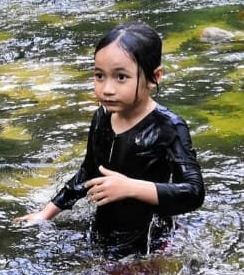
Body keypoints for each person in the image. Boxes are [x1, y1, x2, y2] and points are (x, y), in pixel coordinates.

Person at [18, 22, 205, 257]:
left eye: (121, 77)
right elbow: (88, 171)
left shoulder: (169, 127)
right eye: (99, 75)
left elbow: (193, 192)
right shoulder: (102, 117)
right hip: (104, 232)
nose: (106, 89)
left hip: (150, 242)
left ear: (154, 77)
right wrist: (46, 214)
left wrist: (130, 187)